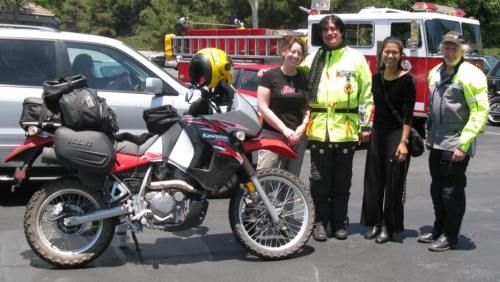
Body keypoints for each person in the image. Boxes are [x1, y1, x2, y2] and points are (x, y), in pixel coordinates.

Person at [300, 15, 373, 241]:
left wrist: (365, 125)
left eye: (334, 29)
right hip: (319, 128)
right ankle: (320, 222)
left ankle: (340, 221)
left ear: (342, 31)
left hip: (346, 129)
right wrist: (268, 74)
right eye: (325, 30)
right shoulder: (313, 58)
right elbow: (292, 76)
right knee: (319, 180)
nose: (329, 33)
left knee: (342, 179)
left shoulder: (356, 59)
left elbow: (366, 95)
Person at [418, 31, 489, 251]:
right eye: (446, 47)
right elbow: (432, 107)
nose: (449, 52)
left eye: (454, 48)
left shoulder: (471, 75)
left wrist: (463, 144)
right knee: (436, 188)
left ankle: (451, 236)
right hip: (438, 140)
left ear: (462, 50)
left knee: (452, 191)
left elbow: (480, 111)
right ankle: (439, 229)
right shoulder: (435, 72)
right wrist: (428, 135)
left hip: (457, 141)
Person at [360, 37, 416, 244]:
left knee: (393, 183)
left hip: (396, 135)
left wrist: (404, 142)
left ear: (401, 55)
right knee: (373, 181)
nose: (390, 55)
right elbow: (368, 105)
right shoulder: (376, 78)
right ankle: (375, 221)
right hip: (378, 134)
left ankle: (388, 226)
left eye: (394, 52)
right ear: (381, 53)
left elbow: (409, 114)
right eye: (387, 51)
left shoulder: (407, 80)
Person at [256, 35, 309, 177]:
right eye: (293, 51)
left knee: (291, 183)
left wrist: (302, 126)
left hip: (297, 137)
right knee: (264, 180)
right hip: (272, 136)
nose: (296, 56)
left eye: (299, 53)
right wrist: (284, 130)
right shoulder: (269, 76)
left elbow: (307, 107)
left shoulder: (304, 78)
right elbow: (263, 107)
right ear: (284, 51)